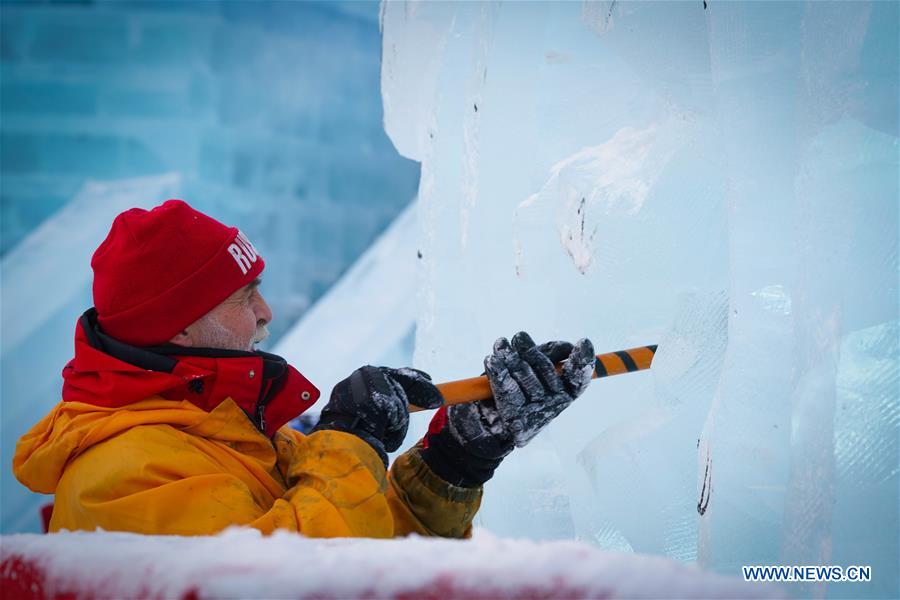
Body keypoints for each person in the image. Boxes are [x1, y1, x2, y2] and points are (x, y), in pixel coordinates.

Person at [13, 200, 595, 538]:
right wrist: (347, 440)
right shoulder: (124, 473)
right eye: (243, 297)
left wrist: (456, 460)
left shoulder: (226, 434)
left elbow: (375, 550)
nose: (266, 313)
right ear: (179, 327)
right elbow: (301, 580)